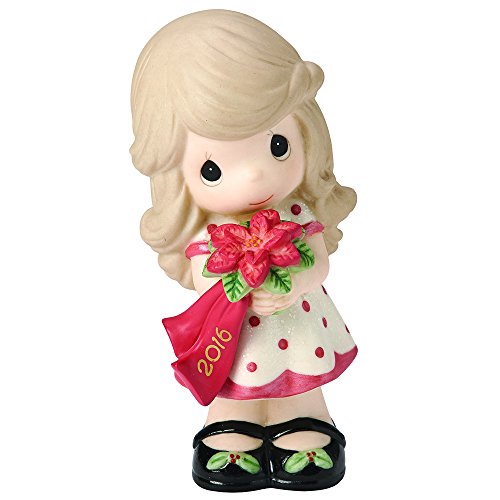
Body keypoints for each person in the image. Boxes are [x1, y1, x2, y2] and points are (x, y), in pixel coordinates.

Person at [130, 9, 357, 491]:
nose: (254, 175)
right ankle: (233, 427)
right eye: (212, 169)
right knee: (233, 379)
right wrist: (241, 292)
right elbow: (203, 276)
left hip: (298, 321)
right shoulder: (211, 230)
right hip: (235, 330)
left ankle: (303, 418)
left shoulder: (295, 215)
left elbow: (318, 261)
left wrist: (295, 282)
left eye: (278, 146)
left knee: (301, 378)